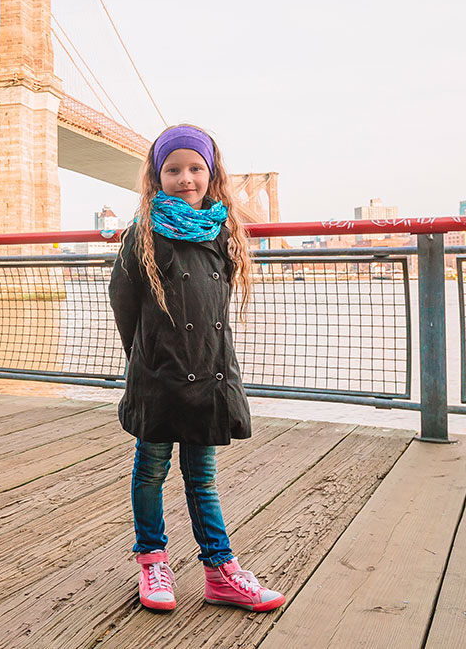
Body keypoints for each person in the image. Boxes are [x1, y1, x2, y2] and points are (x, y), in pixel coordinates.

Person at [109, 124, 286, 614]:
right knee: (150, 470)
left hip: (208, 374)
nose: (185, 178)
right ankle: (152, 561)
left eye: (195, 168)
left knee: (202, 477)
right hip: (160, 375)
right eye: (173, 169)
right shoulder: (143, 234)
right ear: (157, 175)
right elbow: (124, 304)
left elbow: (217, 311)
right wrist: (146, 359)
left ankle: (220, 572)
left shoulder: (223, 232)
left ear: (211, 174)